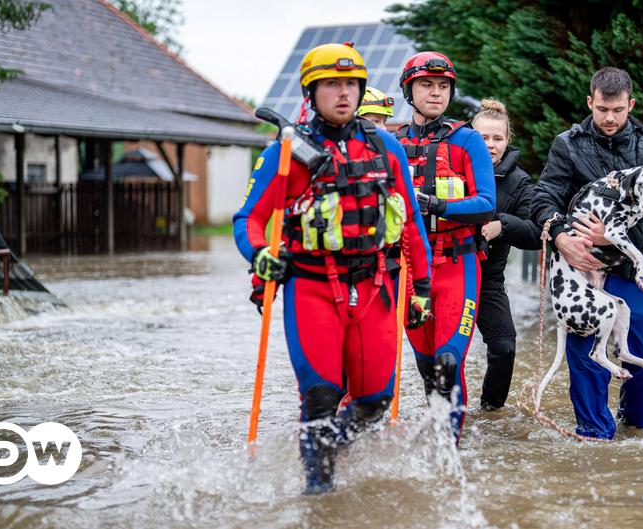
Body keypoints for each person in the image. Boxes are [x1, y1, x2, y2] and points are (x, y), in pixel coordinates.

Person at [232, 42, 433, 494]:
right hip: (312, 288)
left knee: (374, 402)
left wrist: (421, 287)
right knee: (321, 396)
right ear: (312, 90)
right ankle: (318, 492)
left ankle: (327, 445)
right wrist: (259, 253)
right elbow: (250, 220)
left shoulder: (385, 148)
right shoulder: (288, 152)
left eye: (350, 84)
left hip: (376, 286)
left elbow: (412, 225)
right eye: (331, 85)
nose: (343, 93)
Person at [530, 67, 643, 440]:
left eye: (617, 110)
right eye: (601, 109)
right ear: (589, 103)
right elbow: (543, 197)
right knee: (584, 353)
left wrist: (610, 239)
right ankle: (595, 435)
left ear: (630, 104)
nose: (609, 118)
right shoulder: (567, 144)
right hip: (579, 266)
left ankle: (635, 425)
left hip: (630, 267)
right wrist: (562, 236)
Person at [396, 51, 495, 442]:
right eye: (426, 85)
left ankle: (451, 449)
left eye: (443, 86)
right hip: (408, 271)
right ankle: (437, 439)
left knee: (448, 362)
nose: (436, 93)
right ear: (409, 90)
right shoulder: (390, 142)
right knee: (427, 369)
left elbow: (487, 203)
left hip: (458, 266)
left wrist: (434, 204)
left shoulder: (467, 140)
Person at [471, 98, 541, 411]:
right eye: (483, 138)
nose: (490, 145)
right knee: (444, 352)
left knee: (504, 346)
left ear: (507, 140)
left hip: (488, 279)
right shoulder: (455, 169)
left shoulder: (519, 181)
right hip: (450, 272)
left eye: (497, 138)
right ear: (472, 137)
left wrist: (503, 225)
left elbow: (535, 233)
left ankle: (490, 410)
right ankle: (445, 410)